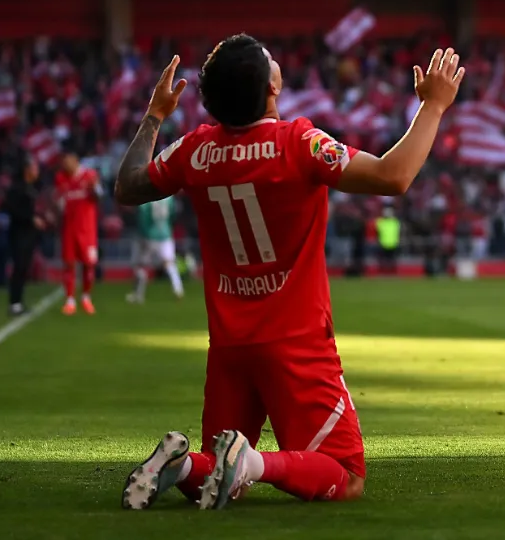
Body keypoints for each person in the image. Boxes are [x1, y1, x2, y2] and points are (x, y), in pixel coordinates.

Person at [115, 36, 464, 511]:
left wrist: (155, 115)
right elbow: (393, 176)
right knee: (346, 473)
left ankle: (183, 465)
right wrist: (434, 106)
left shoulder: (193, 151)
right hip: (295, 343)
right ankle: (254, 463)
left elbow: (129, 186)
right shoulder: (298, 143)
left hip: (230, 346)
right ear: (271, 86)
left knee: (214, 473)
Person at [55, 148, 102, 315]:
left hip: (87, 230)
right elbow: (58, 202)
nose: (64, 164)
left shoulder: (89, 176)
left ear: (75, 160)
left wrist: (95, 188)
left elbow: (99, 196)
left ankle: (86, 297)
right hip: (69, 229)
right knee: (69, 263)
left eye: (67, 161)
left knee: (89, 265)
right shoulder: (61, 178)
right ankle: (69, 300)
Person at [2, 156, 46, 316]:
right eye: (34, 168)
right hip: (19, 234)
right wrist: (31, 218)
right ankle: (14, 303)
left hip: (29, 234)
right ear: (27, 170)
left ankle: (18, 302)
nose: (37, 171)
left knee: (24, 268)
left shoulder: (31, 188)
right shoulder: (17, 188)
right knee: (19, 267)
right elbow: (10, 208)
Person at [127, 196, 184, 304]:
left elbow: (143, 217)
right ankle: (178, 289)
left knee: (141, 265)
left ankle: (139, 294)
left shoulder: (147, 199)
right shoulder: (169, 198)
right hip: (165, 233)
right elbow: (173, 215)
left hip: (150, 235)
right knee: (169, 263)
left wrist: (144, 234)